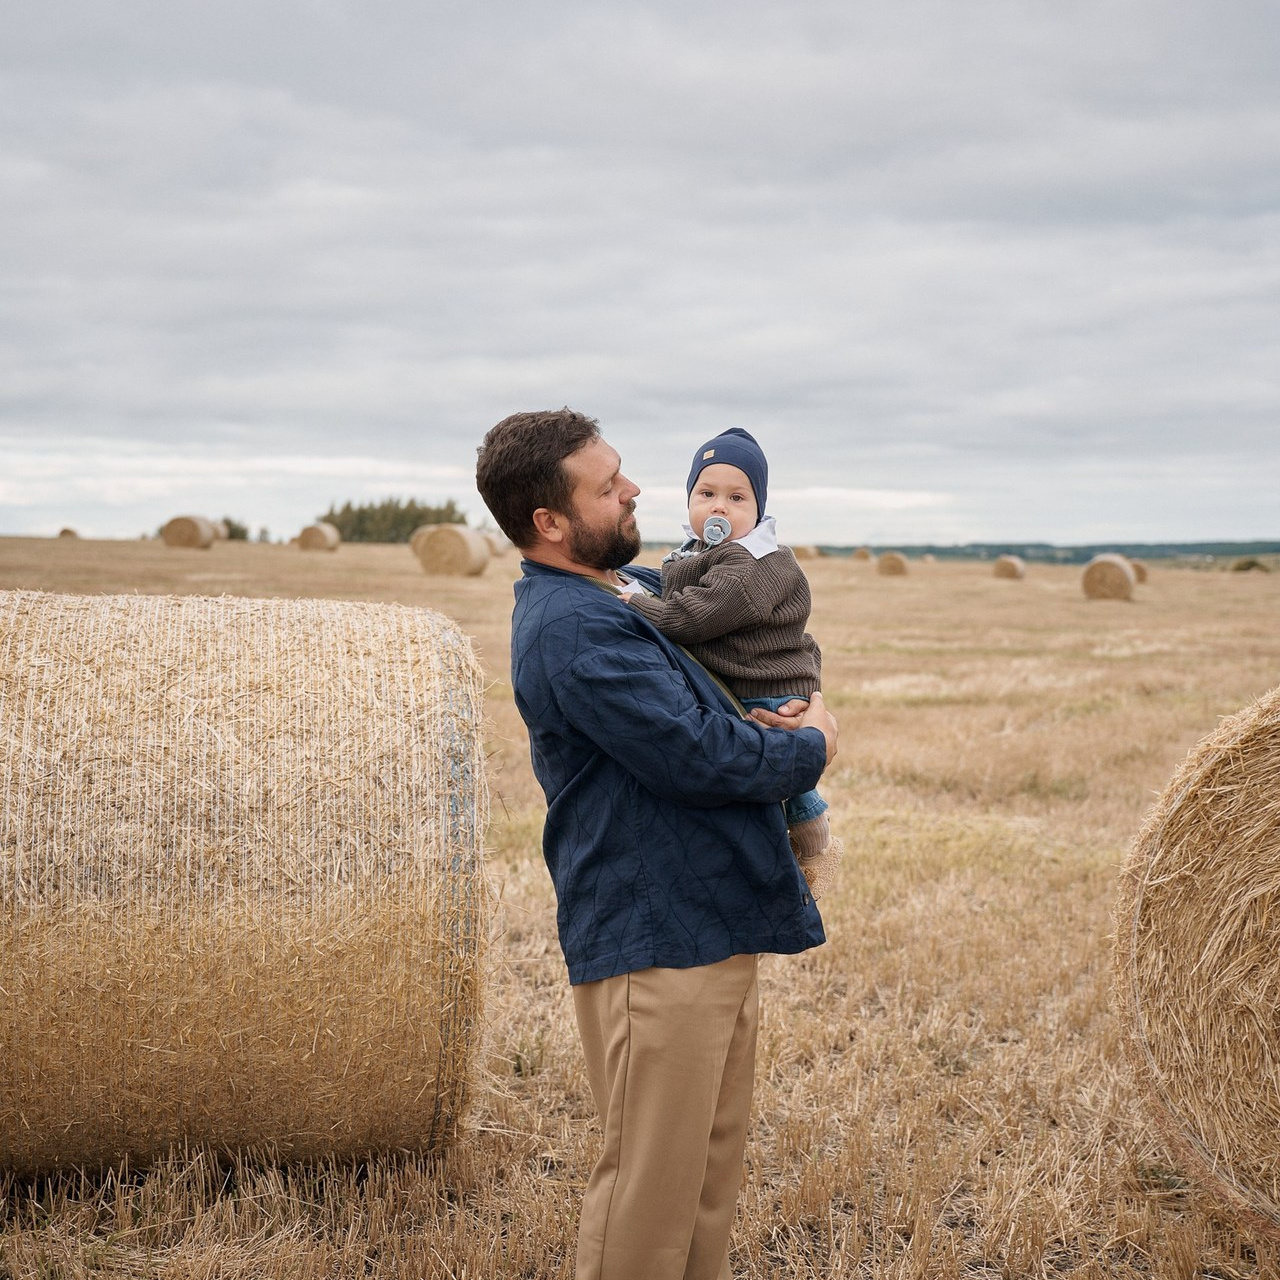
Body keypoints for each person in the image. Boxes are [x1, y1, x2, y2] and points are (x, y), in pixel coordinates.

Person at [475, 408, 838, 1280]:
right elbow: (695, 755)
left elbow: (706, 697)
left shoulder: (615, 594)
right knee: (652, 1188)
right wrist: (811, 743)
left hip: (707, 921)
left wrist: (774, 708)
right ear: (550, 523)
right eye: (608, 485)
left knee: (706, 1180)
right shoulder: (573, 627)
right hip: (656, 938)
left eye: (625, 471)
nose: (635, 489)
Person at [620, 427, 840, 897]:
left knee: (776, 763)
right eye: (707, 493)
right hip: (747, 673)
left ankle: (812, 834)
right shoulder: (705, 552)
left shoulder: (750, 565)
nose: (719, 507)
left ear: (759, 509)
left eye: (737, 497)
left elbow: (692, 617)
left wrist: (637, 601)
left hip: (768, 682)